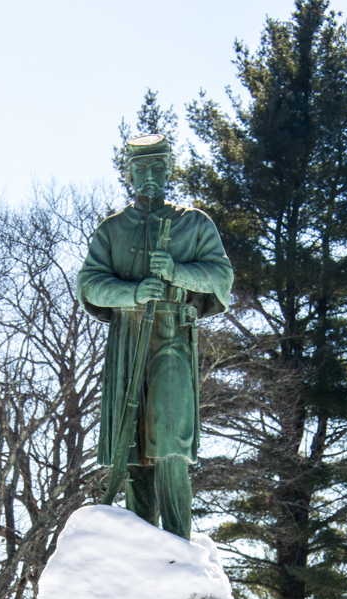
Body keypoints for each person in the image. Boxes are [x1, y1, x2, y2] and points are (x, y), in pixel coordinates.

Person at [77, 134, 234, 540]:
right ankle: (141, 546)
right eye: (141, 168)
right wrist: (130, 293)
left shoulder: (194, 223)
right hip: (128, 340)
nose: (149, 176)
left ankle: (178, 543)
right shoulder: (112, 230)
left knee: (170, 444)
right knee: (131, 448)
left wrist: (177, 271)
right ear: (129, 173)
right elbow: (90, 284)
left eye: (157, 167)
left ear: (169, 169)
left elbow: (222, 278)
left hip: (173, 337)